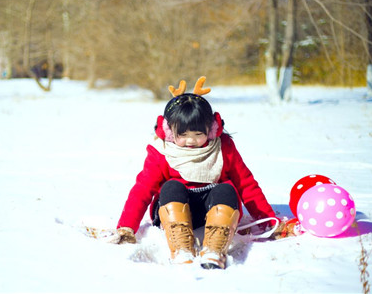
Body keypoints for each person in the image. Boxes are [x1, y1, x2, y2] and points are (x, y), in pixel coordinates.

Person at [116, 76, 277, 269]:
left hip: (213, 211)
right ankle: (181, 248)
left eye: (198, 134)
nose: (190, 141)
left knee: (226, 189)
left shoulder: (222, 147)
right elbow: (143, 189)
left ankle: (214, 249)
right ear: (169, 130)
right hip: (172, 212)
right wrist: (126, 226)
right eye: (182, 135)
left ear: (211, 129)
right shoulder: (162, 151)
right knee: (171, 186)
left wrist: (268, 221)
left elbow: (246, 184)